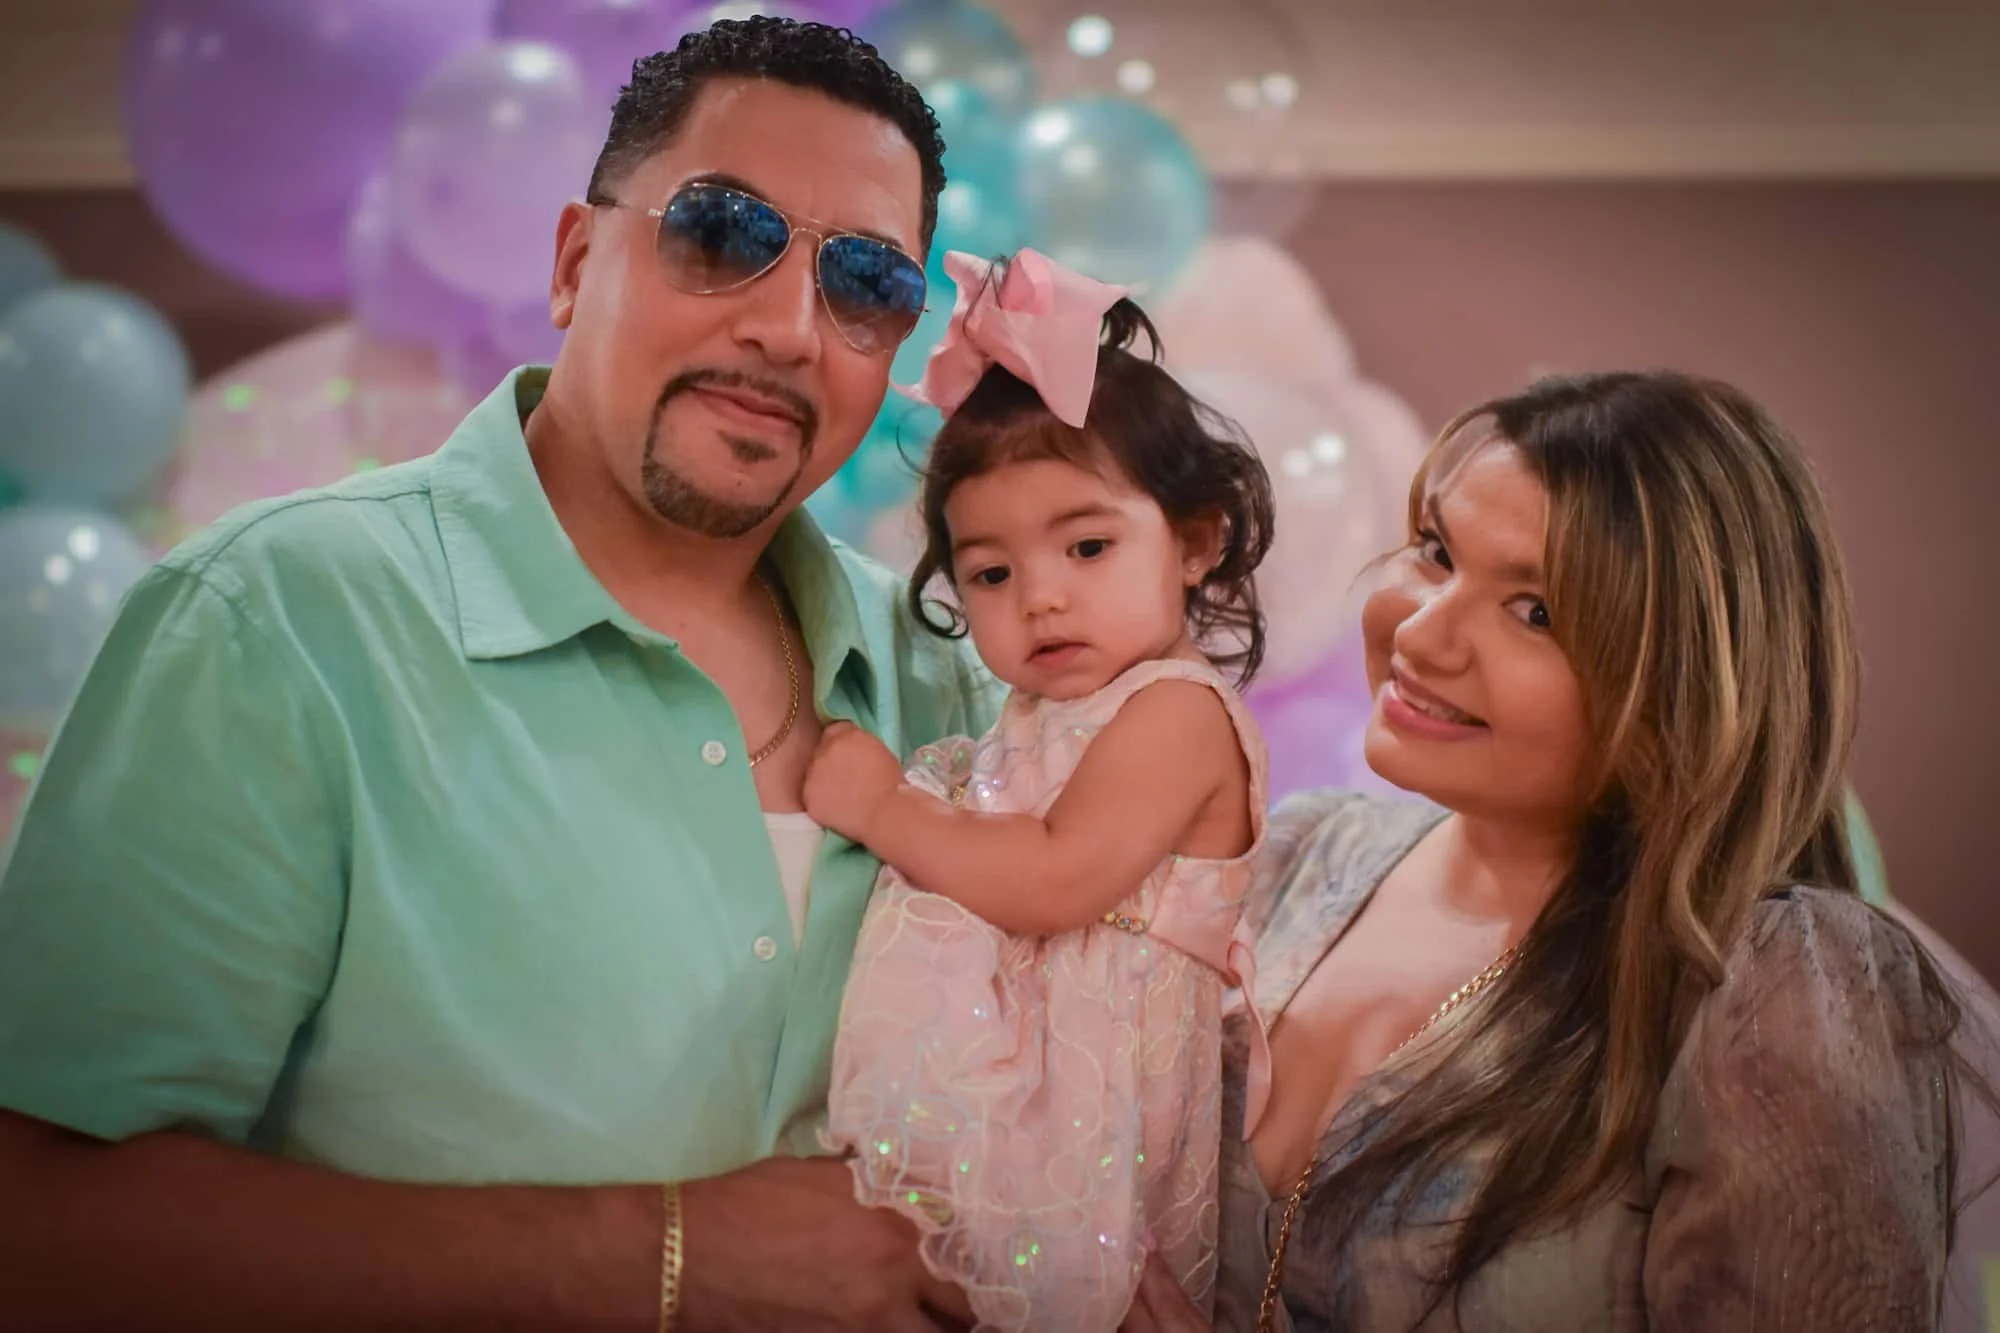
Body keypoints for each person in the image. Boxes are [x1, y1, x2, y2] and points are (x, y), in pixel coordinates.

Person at [0, 18, 1005, 1331]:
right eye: (721, 233)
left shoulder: (957, 680)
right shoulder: (277, 620)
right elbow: (40, 1230)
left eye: (866, 282)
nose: (789, 328)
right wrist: (672, 1258)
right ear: (578, 261)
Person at [1116, 371, 1982, 1333]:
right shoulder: (1292, 856)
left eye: (1537, 612)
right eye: (1437, 552)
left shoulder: (1768, 994)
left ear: (1677, 691)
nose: (1421, 630)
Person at [801, 248, 1277, 1331]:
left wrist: (884, 809)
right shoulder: (1037, 715)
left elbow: (1056, 878)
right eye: (992, 573)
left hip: (1099, 1136)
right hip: (1029, 1104)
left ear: (1197, 541)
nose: (1042, 599)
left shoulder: (1173, 712)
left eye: (1088, 544)